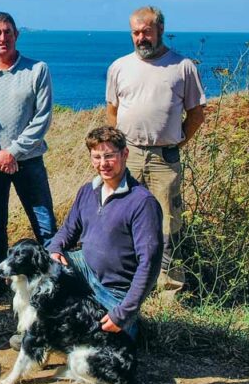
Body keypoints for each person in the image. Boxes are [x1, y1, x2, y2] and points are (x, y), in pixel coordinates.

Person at [106, 5, 206, 294]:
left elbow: (196, 115)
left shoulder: (183, 67)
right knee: (124, 220)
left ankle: (169, 292)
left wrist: (175, 143)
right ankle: (127, 286)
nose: (141, 38)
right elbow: (112, 110)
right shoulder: (119, 67)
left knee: (168, 226)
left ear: (159, 30)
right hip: (128, 157)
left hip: (165, 159)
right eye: (135, 33)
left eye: (146, 31)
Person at [0, 12, 57, 302]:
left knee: (45, 225)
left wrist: (12, 153)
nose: (2, 38)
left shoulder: (37, 70)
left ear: (16, 35)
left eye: (7, 32)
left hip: (28, 161)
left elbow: (42, 119)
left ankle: (53, 283)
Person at [47, 126, 163, 338]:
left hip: (115, 291)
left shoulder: (142, 202)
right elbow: (68, 231)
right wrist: (55, 249)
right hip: (84, 270)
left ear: (124, 154)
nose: (103, 164)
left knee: (107, 341)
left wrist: (124, 313)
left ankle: (128, 321)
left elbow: (150, 263)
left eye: (109, 156)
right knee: (40, 262)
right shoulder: (87, 191)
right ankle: (41, 333)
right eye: (97, 157)